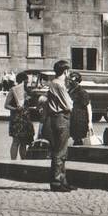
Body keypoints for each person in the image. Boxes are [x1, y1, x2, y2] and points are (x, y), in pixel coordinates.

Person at [44, 59, 76, 192]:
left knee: (60, 150)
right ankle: (57, 181)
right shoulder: (60, 85)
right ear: (65, 71)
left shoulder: (53, 83)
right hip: (62, 118)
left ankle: (62, 180)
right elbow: (68, 105)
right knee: (60, 151)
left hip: (54, 119)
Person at [4, 72, 34, 160]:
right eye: (25, 82)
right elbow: (6, 105)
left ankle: (23, 161)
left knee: (24, 142)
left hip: (26, 118)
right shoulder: (13, 90)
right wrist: (16, 109)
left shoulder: (28, 91)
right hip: (16, 118)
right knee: (16, 141)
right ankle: (13, 161)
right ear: (21, 81)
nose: (27, 84)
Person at [68, 71, 93, 146]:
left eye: (71, 80)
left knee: (78, 140)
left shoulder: (82, 92)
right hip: (73, 118)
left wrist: (90, 122)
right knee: (75, 139)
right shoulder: (70, 90)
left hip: (80, 120)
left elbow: (88, 107)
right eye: (69, 80)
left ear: (77, 81)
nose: (70, 82)